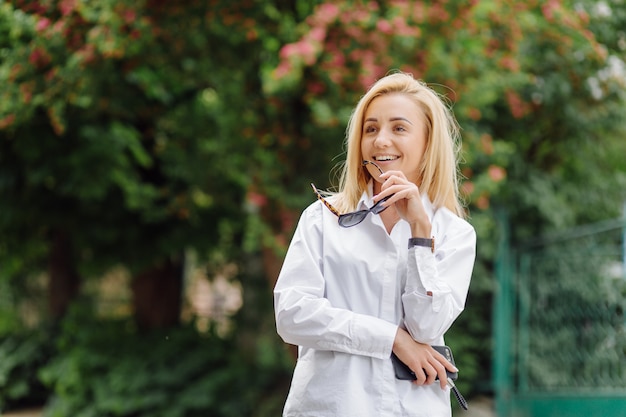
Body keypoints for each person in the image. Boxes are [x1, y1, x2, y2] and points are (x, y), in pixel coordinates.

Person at [273, 71, 476, 417]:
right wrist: (392, 339)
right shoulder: (322, 218)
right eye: (371, 128)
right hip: (329, 407)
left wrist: (419, 233)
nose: (381, 140)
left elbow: (427, 327)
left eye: (398, 128)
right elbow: (292, 316)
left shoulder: (453, 232)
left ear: (428, 144)